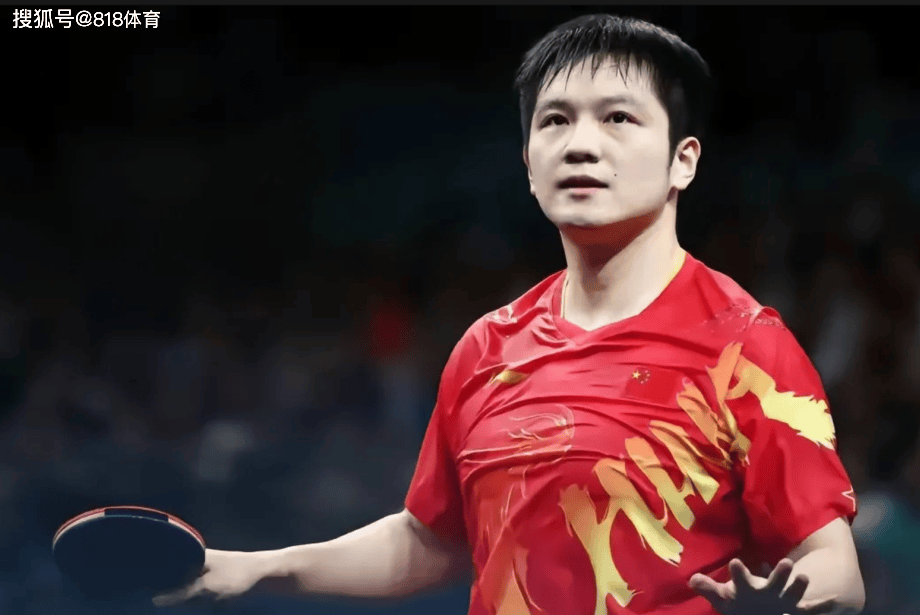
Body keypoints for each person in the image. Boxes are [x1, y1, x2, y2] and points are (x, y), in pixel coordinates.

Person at [154, 14, 866, 615]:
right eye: (555, 120)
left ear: (683, 161)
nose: (581, 143)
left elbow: (835, 564)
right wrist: (260, 568)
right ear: (529, 164)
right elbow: (428, 540)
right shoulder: (488, 347)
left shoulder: (746, 346)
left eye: (618, 118)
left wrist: (792, 604)